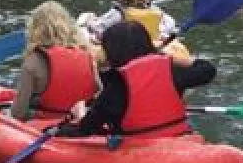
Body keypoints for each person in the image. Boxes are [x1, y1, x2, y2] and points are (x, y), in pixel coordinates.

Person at [56, 21, 216, 139]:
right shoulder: (172, 71)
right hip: (176, 138)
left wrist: (79, 115)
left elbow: (86, 129)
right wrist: (169, 58)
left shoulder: (117, 85)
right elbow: (208, 70)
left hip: (140, 147)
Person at [10, 1, 101, 121]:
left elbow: (18, 113)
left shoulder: (33, 61)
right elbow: (99, 95)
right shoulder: (89, 56)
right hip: (82, 124)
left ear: (35, 29)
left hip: (46, 126)